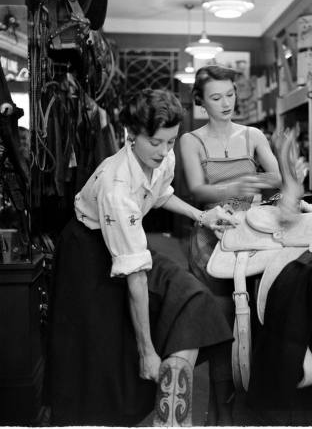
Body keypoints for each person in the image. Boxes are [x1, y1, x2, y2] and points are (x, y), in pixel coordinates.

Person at [45, 88, 239, 427]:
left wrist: (202, 216)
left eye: (170, 141)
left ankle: (171, 418)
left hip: (125, 236)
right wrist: (146, 351)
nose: (164, 152)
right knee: (102, 350)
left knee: (193, 298)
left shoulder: (162, 156)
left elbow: (162, 194)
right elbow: (135, 277)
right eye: (155, 143)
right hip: (87, 251)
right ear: (131, 135)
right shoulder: (116, 186)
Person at [179, 65, 281, 424]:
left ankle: (249, 410)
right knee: (222, 327)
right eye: (216, 97)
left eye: (230, 95)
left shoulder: (253, 134)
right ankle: (220, 415)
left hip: (252, 236)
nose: (226, 103)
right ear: (201, 103)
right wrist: (237, 188)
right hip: (211, 238)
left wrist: (247, 188)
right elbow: (196, 189)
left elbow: (277, 177)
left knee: (255, 323)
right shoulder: (191, 140)